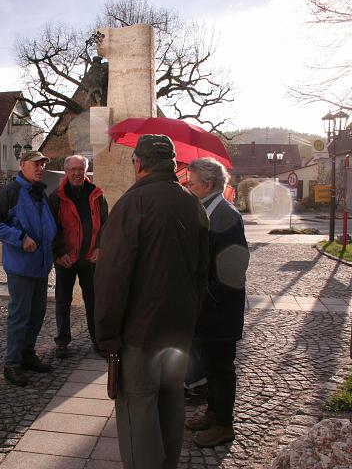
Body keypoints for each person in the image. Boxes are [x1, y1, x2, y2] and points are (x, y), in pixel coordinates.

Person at [95, 134, 209, 469]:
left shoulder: (132, 204)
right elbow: (203, 274)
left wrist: (107, 335)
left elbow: (112, 278)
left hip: (139, 334)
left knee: (138, 412)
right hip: (178, 332)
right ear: (172, 164)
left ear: (139, 164)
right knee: (171, 402)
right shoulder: (193, 204)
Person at [184, 157, 250, 448]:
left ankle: (224, 425)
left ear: (208, 184)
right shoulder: (207, 210)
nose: (188, 186)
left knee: (222, 369)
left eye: (192, 182)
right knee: (211, 367)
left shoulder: (225, 215)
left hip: (219, 311)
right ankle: (213, 412)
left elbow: (232, 270)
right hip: (209, 310)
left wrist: (203, 298)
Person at [0, 150, 58, 387]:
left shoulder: (39, 192)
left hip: (40, 265)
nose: (40, 168)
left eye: (43, 164)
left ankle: (27, 355)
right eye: (36, 164)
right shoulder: (12, 191)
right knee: (19, 316)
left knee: (37, 314)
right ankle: (12, 364)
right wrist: (20, 237)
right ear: (23, 165)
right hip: (21, 266)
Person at [48, 155, 108, 358]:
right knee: (63, 301)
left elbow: (106, 225)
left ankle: (97, 341)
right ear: (66, 171)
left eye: (81, 169)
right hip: (66, 258)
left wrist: (100, 248)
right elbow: (51, 229)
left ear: (86, 170)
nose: (77, 173)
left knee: (93, 301)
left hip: (90, 258)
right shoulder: (56, 196)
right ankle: (62, 342)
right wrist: (59, 253)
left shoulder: (97, 194)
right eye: (73, 169)